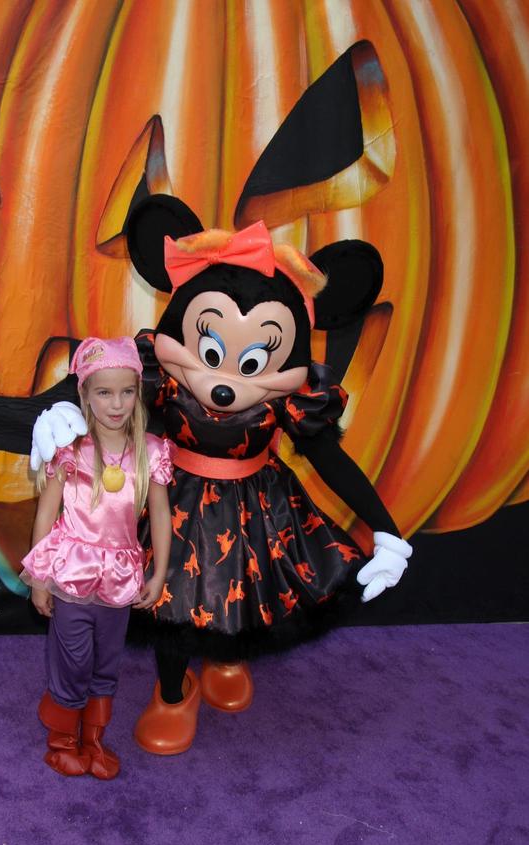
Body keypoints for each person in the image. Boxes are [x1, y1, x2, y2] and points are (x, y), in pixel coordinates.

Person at [31, 195, 413, 758]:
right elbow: (108, 391)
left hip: (259, 507)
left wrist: (386, 531)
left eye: (253, 361)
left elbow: (329, 458)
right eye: (212, 351)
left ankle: (226, 658)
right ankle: (171, 690)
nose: (226, 381)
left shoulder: (291, 405)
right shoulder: (158, 383)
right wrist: (61, 414)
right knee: (172, 604)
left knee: (246, 589)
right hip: (172, 500)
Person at [21, 335, 173, 779]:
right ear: (84, 393)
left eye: (127, 391)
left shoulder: (153, 452)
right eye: (104, 392)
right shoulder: (70, 449)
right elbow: (47, 511)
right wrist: (38, 577)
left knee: (107, 662)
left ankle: (94, 741)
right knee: (72, 658)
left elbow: (160, 516)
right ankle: (62, 739)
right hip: (71, 574)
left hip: (121, 579)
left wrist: (159, 572)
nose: (117, 403)